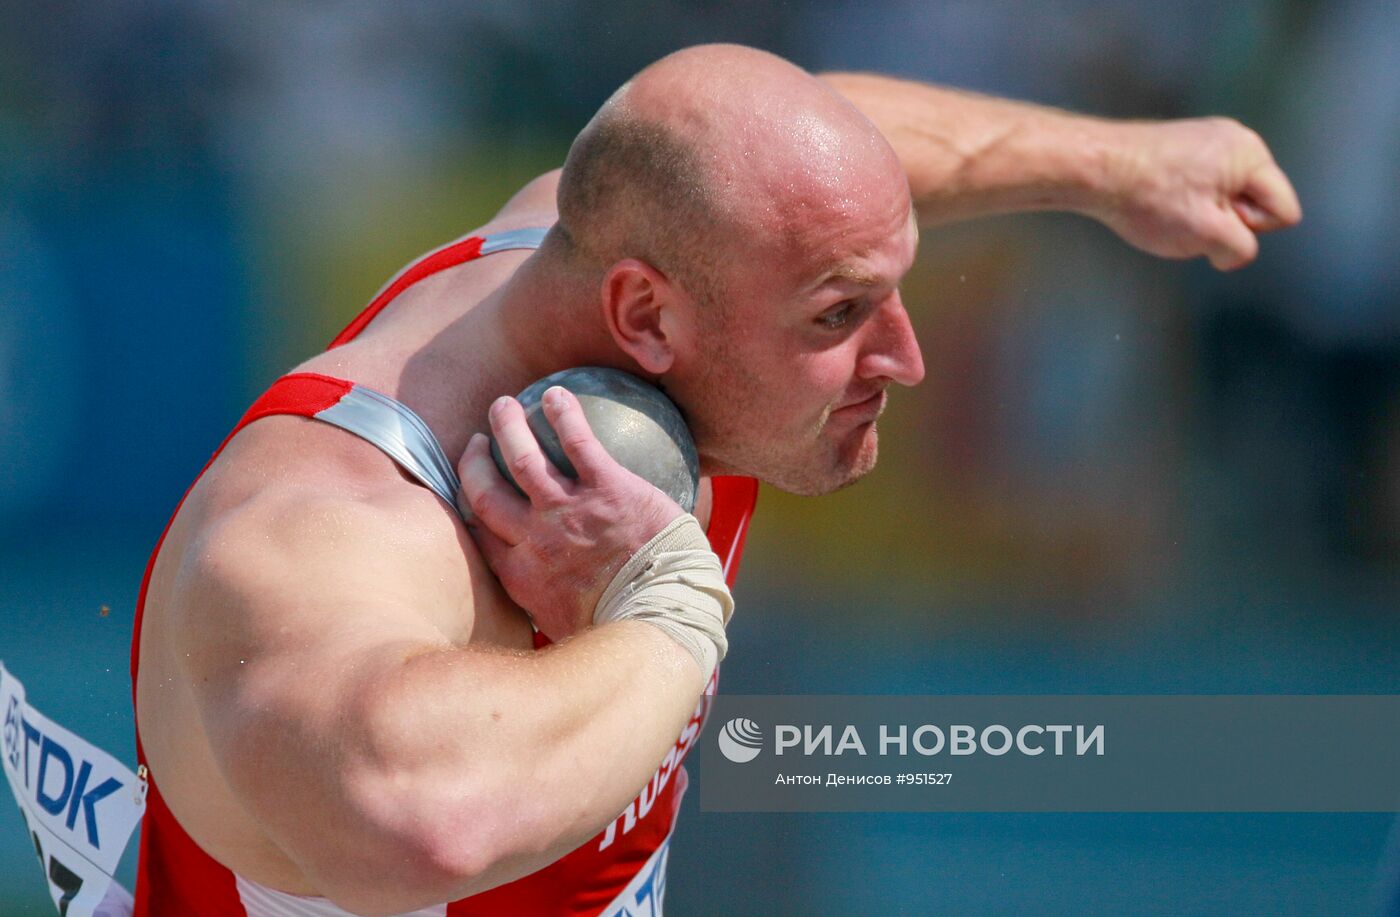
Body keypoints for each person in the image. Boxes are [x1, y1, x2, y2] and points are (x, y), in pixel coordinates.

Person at [129, 44, 1299, 916]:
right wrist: (669, 605)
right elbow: (420, 818)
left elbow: (836, 134)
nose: (904, 355)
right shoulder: (335, 520)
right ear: (644, 312)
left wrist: (1118, 164)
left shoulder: (612, 244)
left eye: (893, 287)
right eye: (839, 314)